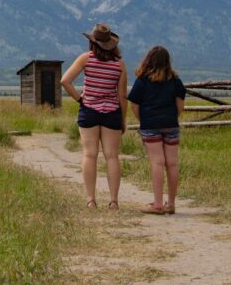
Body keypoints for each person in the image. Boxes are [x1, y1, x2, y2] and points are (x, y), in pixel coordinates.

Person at [60, 23, 127, 210]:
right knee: (112, 156)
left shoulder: (86, 59)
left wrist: (80, 99)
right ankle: (114, 201)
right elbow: (122, 95)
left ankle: (91, 199)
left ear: (93, 42)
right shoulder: (119, 64)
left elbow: (65, 80)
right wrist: (122, 119)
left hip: (89, 110)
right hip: (112, 111)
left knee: (90, 154)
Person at [127, 46, 186, 215]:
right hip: (171, 123)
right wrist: (171, 118)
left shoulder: (142, 81)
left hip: (150, 124)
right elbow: (180, 106)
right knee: (172, 163)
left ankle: (158, 204)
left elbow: (134, 106)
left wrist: (144, 120)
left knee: (157, 162)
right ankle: (171, 203)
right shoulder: (176, 81)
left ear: (148, 60)